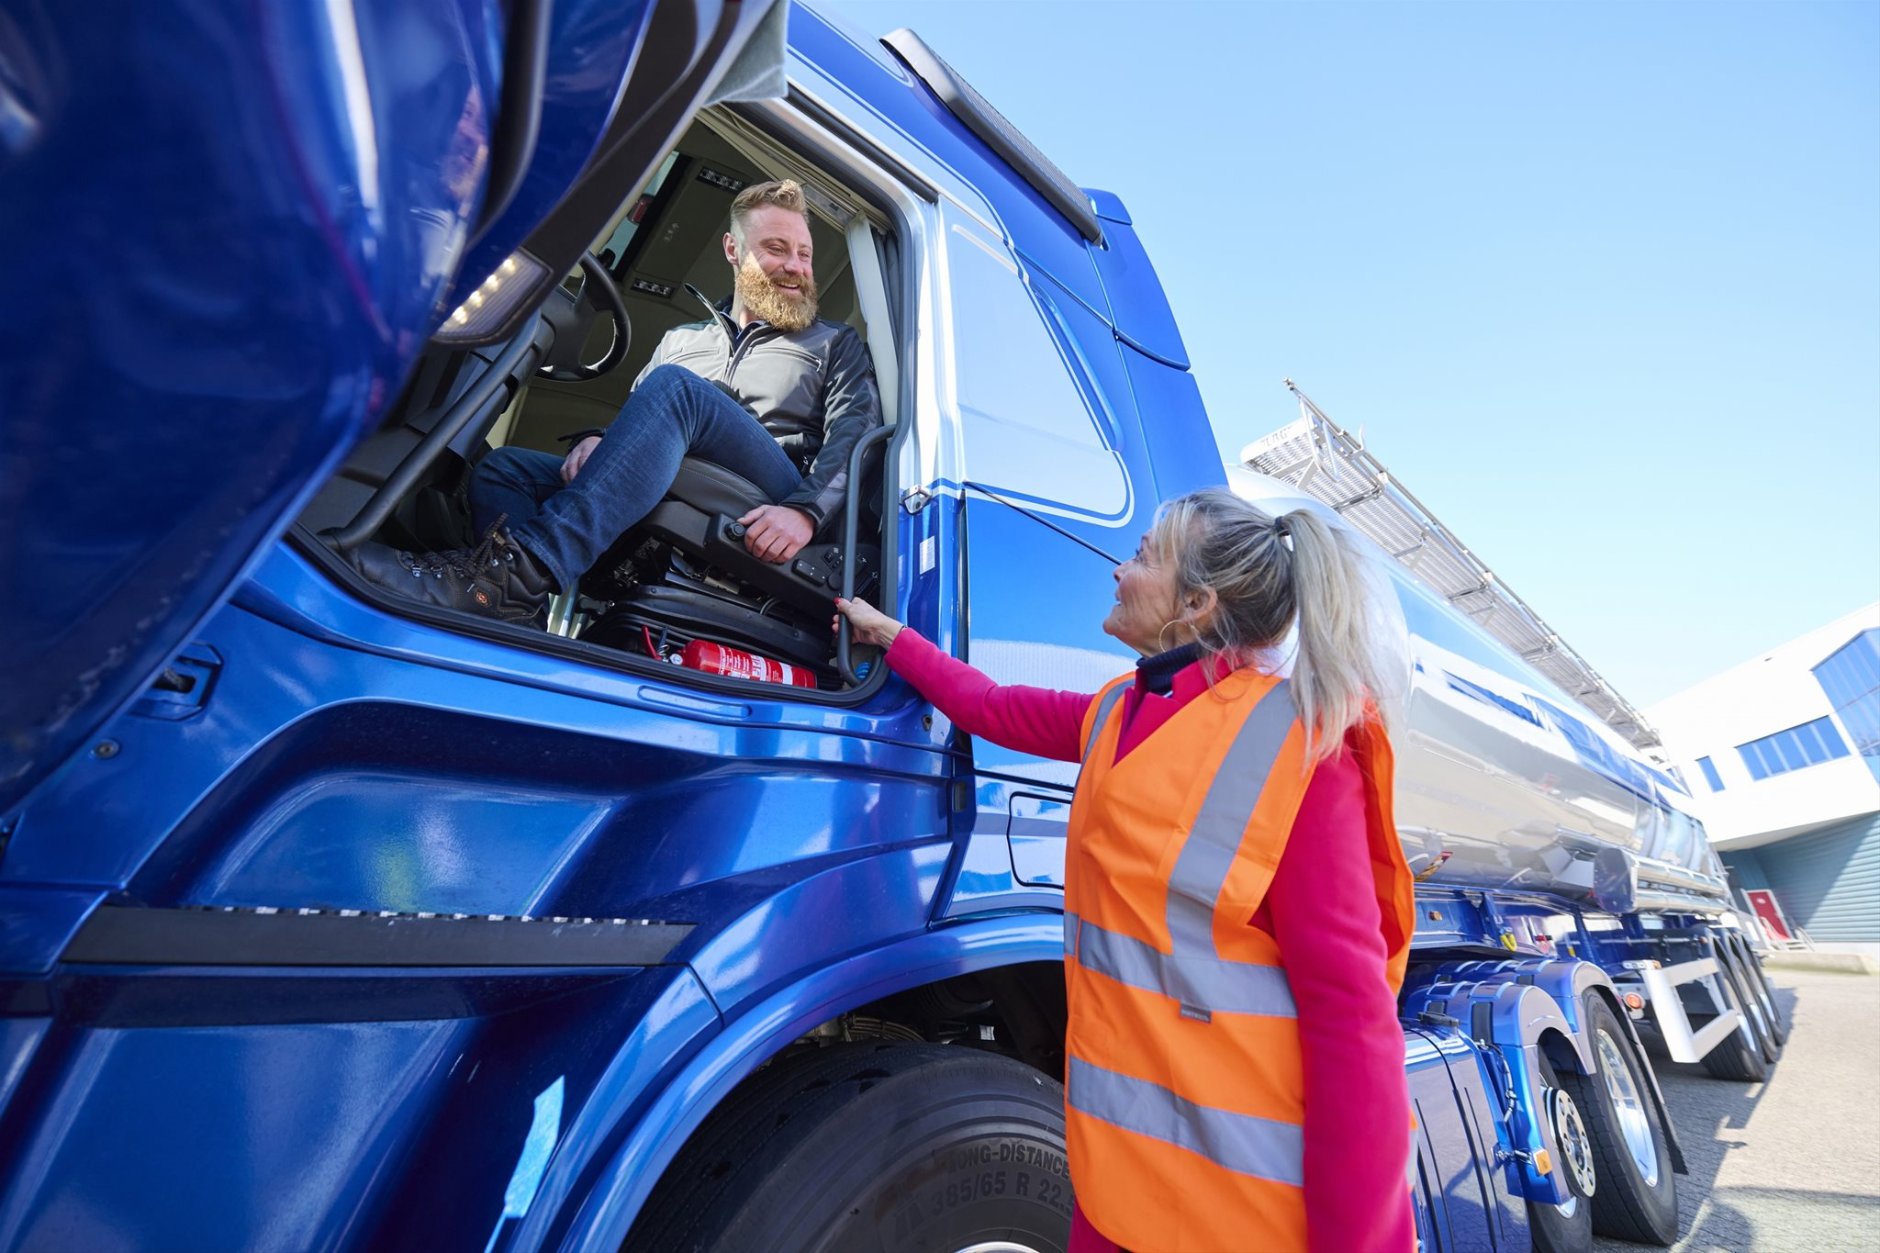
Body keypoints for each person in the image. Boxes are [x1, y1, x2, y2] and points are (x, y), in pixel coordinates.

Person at [836, 489, 1417, 1253]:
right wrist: (897, 639)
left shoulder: (1302, 749)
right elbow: (994, 706)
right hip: (1118, 1189)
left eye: (1144, 557)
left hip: (1237, 1218)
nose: (1118, 571)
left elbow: (1354, 1025)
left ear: (1197, 603)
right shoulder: (1120, 709)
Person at [334, 178, 882, 622]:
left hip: (770, 492)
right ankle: (517, 618)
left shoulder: (833, 343)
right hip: (677, 470)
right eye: (777, 248)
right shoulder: (682, 343)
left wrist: (805, 513)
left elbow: (857, 438)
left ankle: (512, 578)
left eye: (804, 254)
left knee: (677, 393)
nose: (796, 266)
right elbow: (640, 428)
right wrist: (599, 440)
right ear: (733, 250)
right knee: (506, 471)